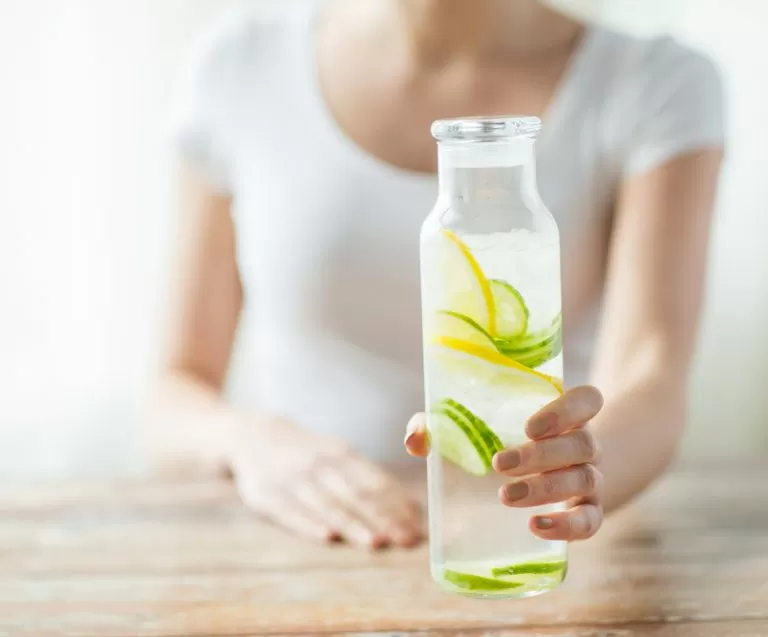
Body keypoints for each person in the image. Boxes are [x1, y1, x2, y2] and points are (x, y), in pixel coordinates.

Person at [149, 0, 725, 550]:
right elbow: (174, 392)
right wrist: (251, 443)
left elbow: (649, 378)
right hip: (303, 542)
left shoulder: (653, 81)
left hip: (527, 539)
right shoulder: (241, 63)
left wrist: (583, 469)